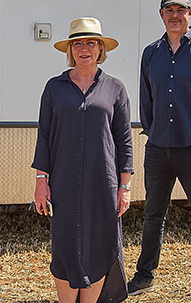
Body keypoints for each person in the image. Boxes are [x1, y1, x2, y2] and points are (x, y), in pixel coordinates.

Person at [32, 17, 133, 303]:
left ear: (101, 49)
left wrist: (124, 188)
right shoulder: (55, 87)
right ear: (70, 50)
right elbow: (45, 137)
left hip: (103, 183)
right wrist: (41, 181)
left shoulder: (115, 88)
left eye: (91, 42)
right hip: (63, 182)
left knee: (98, 246)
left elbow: (124, 142)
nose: (84, 48)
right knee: (64, 246)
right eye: (78, 43)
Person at [128, 0, 191, 295]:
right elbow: (147, 97)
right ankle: (144, 276)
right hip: (158, 147)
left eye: (180, 10)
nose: (174, 15)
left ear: (190, 14)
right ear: (161, 15)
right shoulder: (151, 53)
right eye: (169, 10)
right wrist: (153, 130)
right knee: (153, 213)